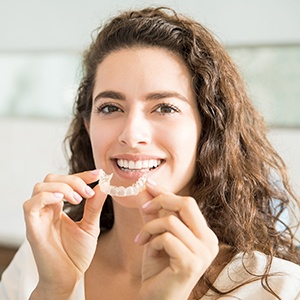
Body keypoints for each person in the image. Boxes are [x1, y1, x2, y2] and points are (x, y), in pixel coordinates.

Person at [1, 6, 300, 300]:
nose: (131, 135)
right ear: (88, 126)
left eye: (165, 108)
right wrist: (53, 292)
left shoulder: (275, 289)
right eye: (110, 107)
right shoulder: (38, 263)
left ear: (208, 130)